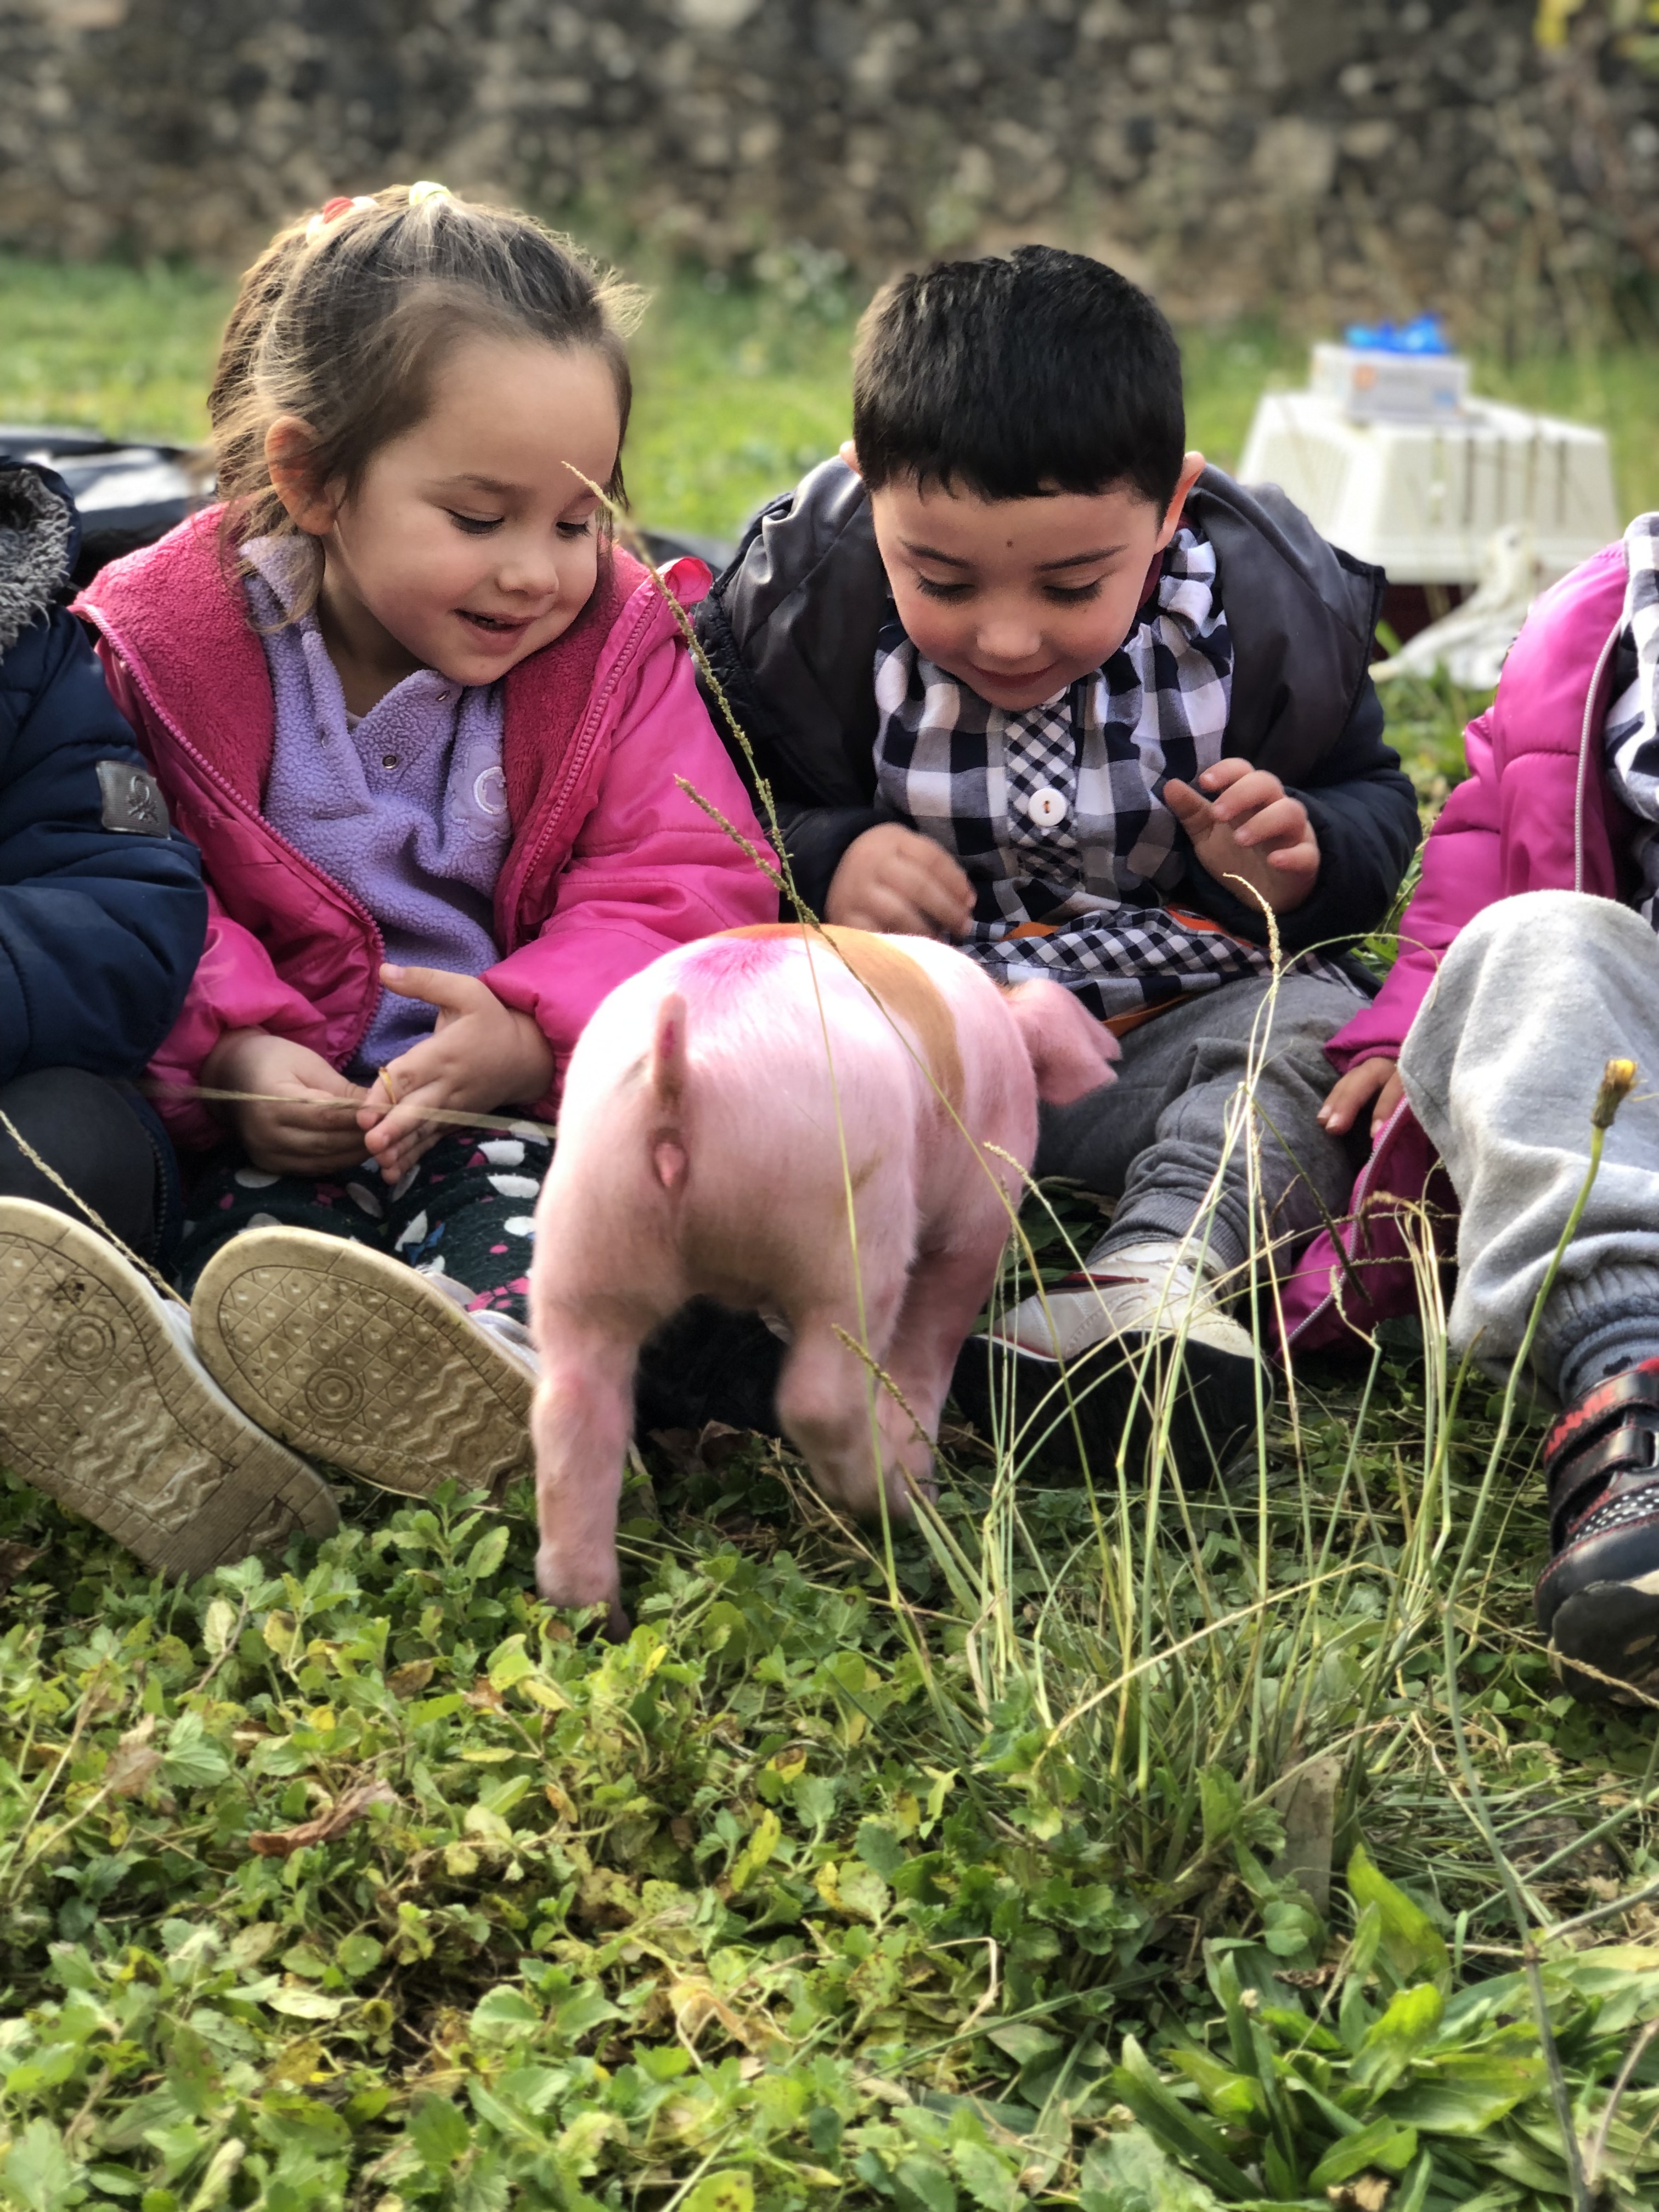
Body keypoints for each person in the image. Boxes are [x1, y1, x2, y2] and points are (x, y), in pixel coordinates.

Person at [0, 182, 777, 1580]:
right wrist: (236, 1049)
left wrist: (531, 1025)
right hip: (270, 1129)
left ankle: (508, 1376)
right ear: (313, 481)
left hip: (511, 1113)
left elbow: (689, 872)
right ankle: (210, 1404)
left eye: (580, 520)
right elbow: (147, 889)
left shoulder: (616, 651)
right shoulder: (165, 652)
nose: (537, 572)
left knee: (541, 1219)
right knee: (256, 1266)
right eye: (480, 517)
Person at [695, 246, 1420, 1471]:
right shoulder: (801, 618)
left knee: (1317, 1045)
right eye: (942, 578)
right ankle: (793, 1306)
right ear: (866, 486)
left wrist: (1293, 859)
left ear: (1172, 505)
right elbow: (716, 807)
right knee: (759, 1059)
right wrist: (828, 858)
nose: (1008, 635)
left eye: (1074, 585)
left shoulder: (1263, 621)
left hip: (1168, 1020)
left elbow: (1372, 801)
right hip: (917, 1036)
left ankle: (1147, 1282)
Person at [1302, 512, 1659, 1706]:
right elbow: (1478, 844)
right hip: (1636, 1076)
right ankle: (1631, 1407)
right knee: (1535, 940)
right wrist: (1409, 1024)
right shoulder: (1604, 616)